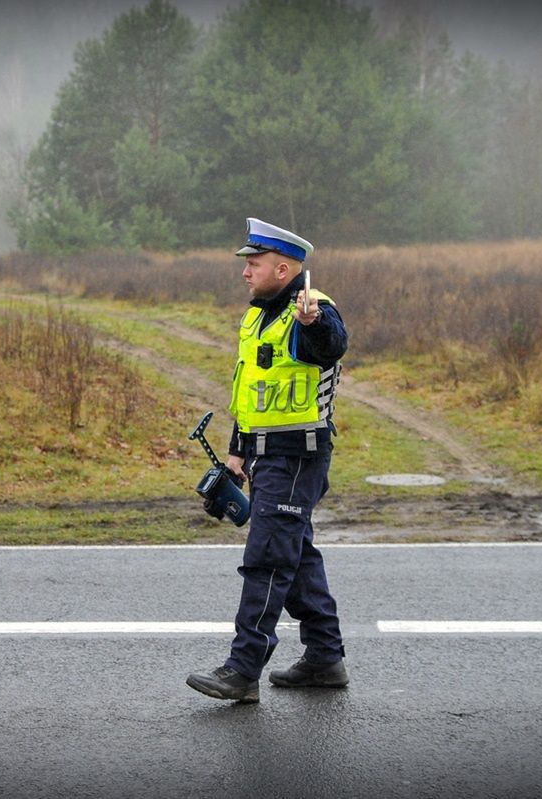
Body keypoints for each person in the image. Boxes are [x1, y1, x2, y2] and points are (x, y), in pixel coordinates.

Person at [187, 218, 349, 703]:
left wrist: (313, 322)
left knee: (267, 560)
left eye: (253, 264)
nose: (245, 272)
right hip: (265, 456)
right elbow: (253, 394)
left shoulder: (312, 310)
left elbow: (330, 346)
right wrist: (236, 454)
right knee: (295, 556)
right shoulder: (258, 316)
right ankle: (324, 658)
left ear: (283, 269)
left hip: (298, 456)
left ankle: (242, 669)